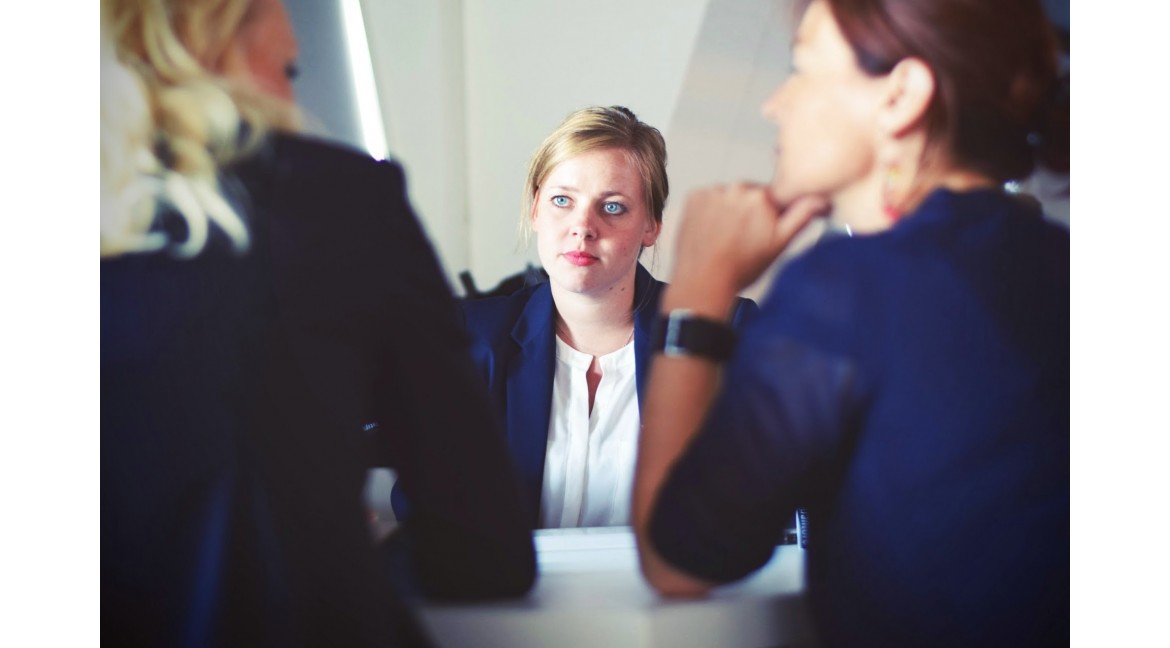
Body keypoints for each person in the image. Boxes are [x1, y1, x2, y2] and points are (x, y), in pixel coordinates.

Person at [632, 0, 1069, 646]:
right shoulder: (1066, 265)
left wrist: (699, 284)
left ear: (900, 95)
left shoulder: (846, 288)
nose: (774, 104)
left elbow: (677, 559)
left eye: (801, 69)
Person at [101, 1, 534, 646]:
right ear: (223, 30)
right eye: (292, 70)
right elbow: (484, 546)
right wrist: (335, 536)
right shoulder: (342, 202)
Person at [393, 106, 756, 529]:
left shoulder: (723, 331)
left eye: (614, 207)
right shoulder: (468, 338)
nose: (582, 227)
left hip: (669, 592)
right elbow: (424, 512)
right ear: (535, 210)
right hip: (513, 593)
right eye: (562, 200)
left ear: (651, 226)